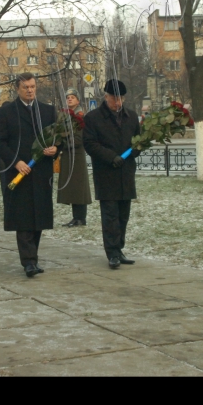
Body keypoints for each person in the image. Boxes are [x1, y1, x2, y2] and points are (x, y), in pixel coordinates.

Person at [0, 73, 57, 278]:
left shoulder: (47, 111)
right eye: (25, 87)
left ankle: (34, 256)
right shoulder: (7, 112)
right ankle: (28, 261)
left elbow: (59, 139)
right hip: (19, 172)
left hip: (42, 171)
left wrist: (55, 149)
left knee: (39, 216)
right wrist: (16, 161)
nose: (30, 90)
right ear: (17, 89)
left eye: (32, 87)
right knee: (23, 217)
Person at [83, 80, 141, 269]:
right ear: (106, 97)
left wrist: (136, 149)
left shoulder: (131, 116)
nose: (118, 103)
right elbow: (90, 144)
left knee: (123, 214)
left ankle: (120, 248)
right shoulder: (93, 118)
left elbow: (138, 141)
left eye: (121, 99)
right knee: (110, 216)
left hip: (126, 173)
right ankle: (112, 253)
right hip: (106, 173)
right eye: (114, 98)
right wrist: (111, 157)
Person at [58, 89, 92, 227]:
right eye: (67, 97)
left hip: (77, 156)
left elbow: (78, 138)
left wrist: (61, 140)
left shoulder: (80, 116)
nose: (70, 99)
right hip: (68, 155)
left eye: (72, 97)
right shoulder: (66, 116)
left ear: (78, 100)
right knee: (72, 188)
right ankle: (76, 217)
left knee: (79, 188)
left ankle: (80, 218)